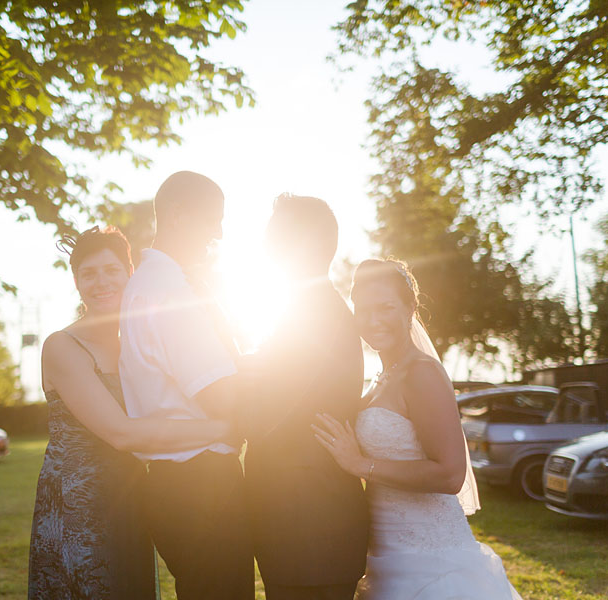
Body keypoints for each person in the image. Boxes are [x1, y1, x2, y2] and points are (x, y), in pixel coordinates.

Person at [27, 226, 233, 600]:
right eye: (87, 273)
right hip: (80, 506)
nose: (100, 282)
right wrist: (223, 427)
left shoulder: (134, 340)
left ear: (130, 273)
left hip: (130, 495)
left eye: (111, 270)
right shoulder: (63, 346)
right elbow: (122, 433)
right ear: (75, 282)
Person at [313, 258, 522, 599]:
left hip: (432, 560)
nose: (373, 320)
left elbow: (451, 474)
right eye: (363, 310)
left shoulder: (422, 373)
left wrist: (359, 465)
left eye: (385, 307)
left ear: (410, 309)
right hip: (385, 555)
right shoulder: (380, 379)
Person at [119, 171, 254, 600]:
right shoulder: (171, 290)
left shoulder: (144, 283)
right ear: (178, 215)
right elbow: (222, 398)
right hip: (201, 487)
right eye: (213, 219)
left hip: (175, 484)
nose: (218, 232)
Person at [242, 194, 369, 600]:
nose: (264, 247)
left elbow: (268, 412)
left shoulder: (314, 314)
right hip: (301, 526)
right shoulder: (303, 309)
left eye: (273, 237)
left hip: (311, 528)